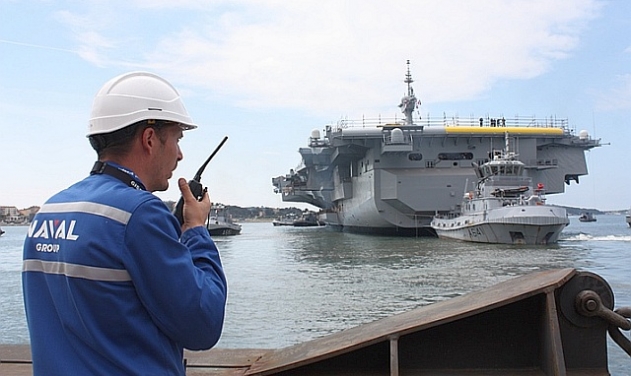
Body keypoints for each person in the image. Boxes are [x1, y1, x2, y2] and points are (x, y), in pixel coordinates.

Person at [22, 72, 227, 375]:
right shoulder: (141, 214)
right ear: (149, 139)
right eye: (176, 139)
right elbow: (203, 324)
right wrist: (195, 230)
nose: (180, 154)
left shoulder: (50, 210)